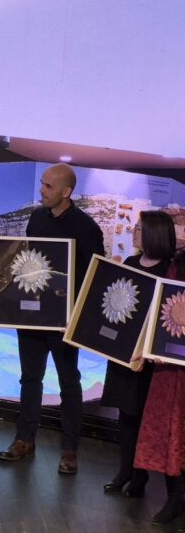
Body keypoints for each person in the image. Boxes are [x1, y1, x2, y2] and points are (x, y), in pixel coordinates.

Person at [0, 163, 105, 474]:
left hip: (64, 322)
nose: (41, 190)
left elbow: (95, 277)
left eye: (48, 186)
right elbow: (29, 262)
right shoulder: (36, 218)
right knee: (30, 379)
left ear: (66, 192)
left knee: (69, 383)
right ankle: (24, 440)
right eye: (42, 184)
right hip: (33, 316)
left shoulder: (87, 228)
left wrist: (78, 317)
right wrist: (0, 250)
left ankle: (69, 450)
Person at [101, 210, 176, 497]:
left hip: (152, 361)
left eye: (140, 228)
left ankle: (140, 475)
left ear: (155, 234)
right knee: (126, 415)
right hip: (125, 354)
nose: (133, 231)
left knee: (144, 416)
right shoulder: (131, 263)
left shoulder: (171, 271)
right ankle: (127, 471)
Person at [134, 247, 185, 525]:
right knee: (170, 430)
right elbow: (163, 306)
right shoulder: (178, 264)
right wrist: (153, 344)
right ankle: (175, 497)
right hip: (171, 370)